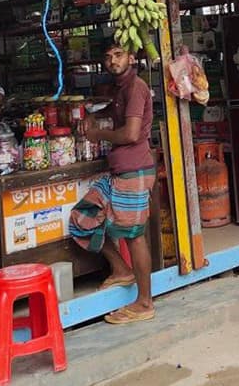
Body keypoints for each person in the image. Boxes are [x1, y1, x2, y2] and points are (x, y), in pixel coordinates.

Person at [69, 44, 156, 324]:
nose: (111, 60)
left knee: (134, 235)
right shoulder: (121, 89)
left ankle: (144, 302)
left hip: (134, 170)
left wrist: (98, 133)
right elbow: (113, 107)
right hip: (120, 172)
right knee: (83, 217)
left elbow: (131, 133)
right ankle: (121, 269)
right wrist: (96, 114)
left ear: (132, 58)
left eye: (118, 54)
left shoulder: (136, 87)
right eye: (107, 56)